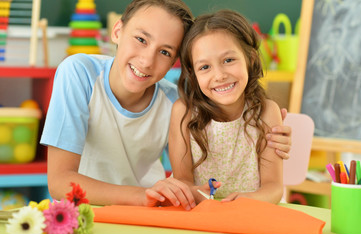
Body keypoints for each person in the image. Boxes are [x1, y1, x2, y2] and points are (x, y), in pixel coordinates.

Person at [41, 0, 290, 209]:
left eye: (165, 52)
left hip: (151, 214)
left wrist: (271, 126)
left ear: (176, 63)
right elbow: (60, 182)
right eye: (140, 39)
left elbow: (220, 128)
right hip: (87, 211)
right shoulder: (79, 73)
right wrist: (143, 195)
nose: (147, 60)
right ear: (117, 31)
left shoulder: (175, 102)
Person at [169, 9, 284, 205]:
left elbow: (273, 187)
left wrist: (248, 200)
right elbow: (183, 181)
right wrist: (195, 193)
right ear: (192, 73)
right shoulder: (184, 112)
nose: (219, 75)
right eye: (205, 67)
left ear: (251, 59)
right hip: (200, 215)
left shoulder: (267, 112)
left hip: (250, 214)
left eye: (228, 60)